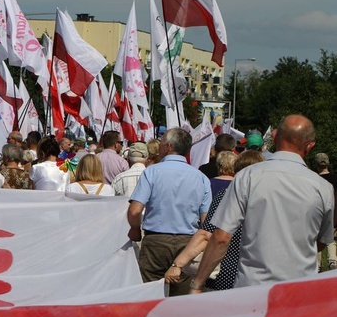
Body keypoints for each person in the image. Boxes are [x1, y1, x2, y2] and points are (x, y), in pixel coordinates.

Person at [191, 115, 335, 292]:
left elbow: (221, 237)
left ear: (274, 136)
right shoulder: (324, 188)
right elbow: (322, 241)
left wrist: (197, 283)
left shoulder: (247, 176)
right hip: (299, 291)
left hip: (252, 289)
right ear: (310, 146)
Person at [128, 127, 212, 296]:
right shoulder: (200, 177)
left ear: (168, 147)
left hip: (155, 243)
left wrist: (135, 229)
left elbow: (135, 210)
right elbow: (206, 221)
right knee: (181, 301)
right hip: (187, 243)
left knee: (149, 296)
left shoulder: (151, 172)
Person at [165, 150, 265, 291]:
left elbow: (207, 235)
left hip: (228, 274)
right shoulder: (269, 200)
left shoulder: (229, 195)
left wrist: (178, 265)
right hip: (262, 277)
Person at [314, 152, 337, 269]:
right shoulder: (335, 179)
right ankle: (333, 260)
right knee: (332, 239)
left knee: (317, 238)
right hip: (333, 213)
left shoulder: (314, 180)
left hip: (318, 213)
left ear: (316, 165)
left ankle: (317, 264)